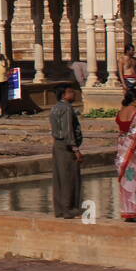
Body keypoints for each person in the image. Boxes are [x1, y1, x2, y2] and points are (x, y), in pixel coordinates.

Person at [49, 85, 84, 218]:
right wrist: (76, 150)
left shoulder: (55, 108)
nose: (73, 94)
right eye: (70, 92)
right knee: (69, 177)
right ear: (64, 95)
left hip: (57, 145)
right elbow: (68, 131)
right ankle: (69, 209)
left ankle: (60, 209)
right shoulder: (67, 108)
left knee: (59, 177)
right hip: (66, 146)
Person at [114, 89, 136, 223]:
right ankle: (135, 211)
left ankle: (127, 211)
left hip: (122, 147)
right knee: (135, 180)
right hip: (134, 150)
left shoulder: (121, 111)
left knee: (126, 180)